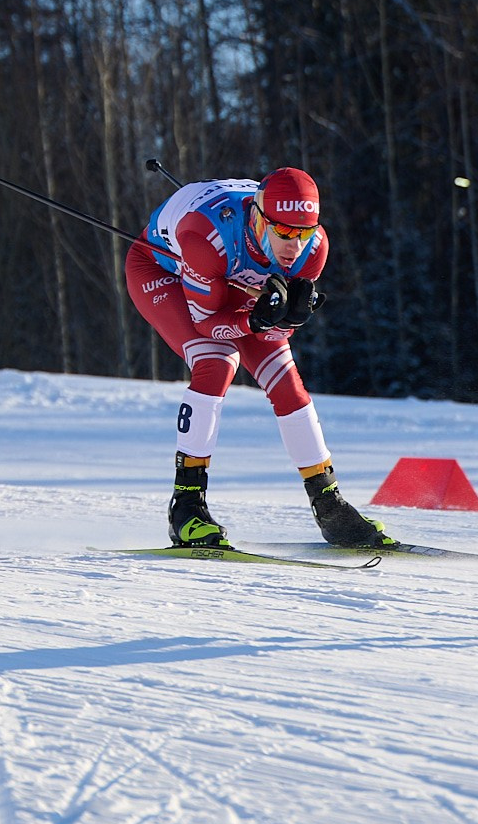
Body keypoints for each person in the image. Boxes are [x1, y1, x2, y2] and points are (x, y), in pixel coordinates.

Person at [126, 168, 390, 550]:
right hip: (165, 272)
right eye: (284, 232)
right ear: (258, 217)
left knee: (288, 383)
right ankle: (186, 508)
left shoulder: (314, 249)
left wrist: (285, 320)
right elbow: (207, 323)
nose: (294, 246)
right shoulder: (205, 237)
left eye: (303, 232)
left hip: (228, 279)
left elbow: (276, 335)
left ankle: (329, 505)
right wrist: (254, 319)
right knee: (216, 363)